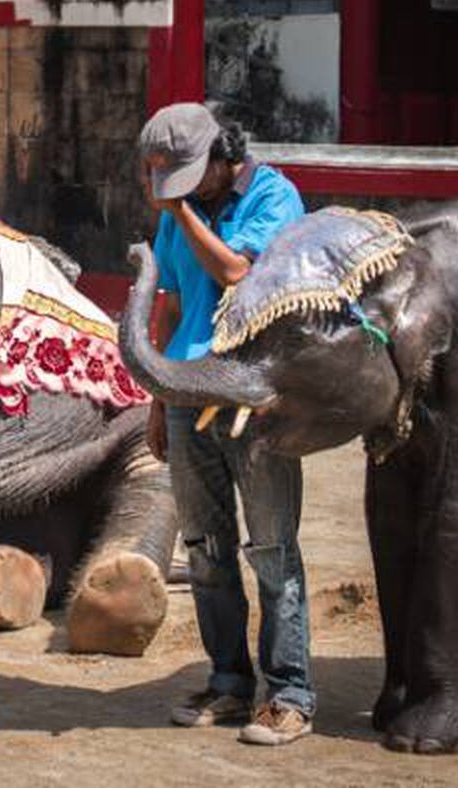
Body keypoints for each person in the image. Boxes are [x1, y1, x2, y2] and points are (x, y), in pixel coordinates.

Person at [140, 103, 312, 746]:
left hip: (254, 395)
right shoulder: (177, 208)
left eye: (186, 177)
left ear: (223, 155)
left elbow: (239, 274)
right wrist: (158, 398)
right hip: (187, 394)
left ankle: (291, 693)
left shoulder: (274, 195)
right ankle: (229, 683)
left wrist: (178, 211)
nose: (177, 189)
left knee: (271, 546)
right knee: (206, 549)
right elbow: (173, 302)